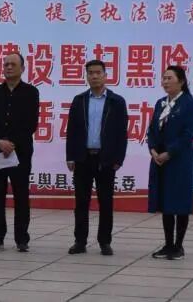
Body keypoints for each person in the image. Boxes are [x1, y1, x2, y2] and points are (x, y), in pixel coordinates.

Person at [65, 60, 128, 256]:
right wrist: (70, 156)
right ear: (86, 76)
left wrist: (118, 158)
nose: (94, 76)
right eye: (90, 73)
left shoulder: (117, 101)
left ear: (105, 75)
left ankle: (105, 242)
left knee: (106, 202)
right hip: (83, 157)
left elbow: (122, 133)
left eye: (98, 72)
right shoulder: (79, 100)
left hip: (105, 158)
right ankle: (80, 241)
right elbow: (72, 130)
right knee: (81, 202)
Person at [0, 52, 39, 253]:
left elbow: (31, 123)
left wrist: (12, 143)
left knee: (21, 195)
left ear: (22, 68)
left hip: (20, 152)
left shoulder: (31, 92)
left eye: (13, 64)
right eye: (6, 64)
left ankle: (21, 239)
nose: (8, 67)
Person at [147, 65, 193, 261]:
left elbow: (188, 134)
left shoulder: (189, 104)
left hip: (179, 161)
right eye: (164, 78)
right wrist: (153, 150)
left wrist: (169, 153)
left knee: (180, 203)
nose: (165, 81)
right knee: (166, 203)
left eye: (169, 78)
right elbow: (151, 130)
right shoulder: (160, 103)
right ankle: (168, 244)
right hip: (160, 161)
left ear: (181, 81)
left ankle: (178, 246)